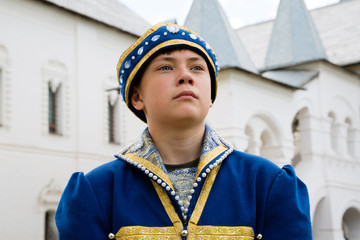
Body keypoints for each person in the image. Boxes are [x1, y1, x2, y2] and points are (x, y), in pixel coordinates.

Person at [55, 22, 313, 240]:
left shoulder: (268, 185)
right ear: (137, 97)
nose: (185, 76)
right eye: (165, 67)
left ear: (211, 96)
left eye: (197, 67)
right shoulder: (96, 193)